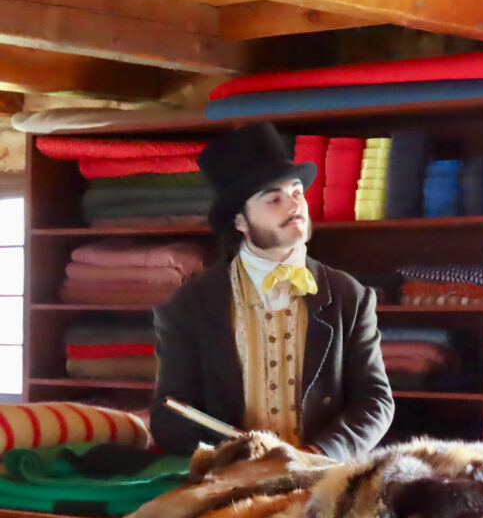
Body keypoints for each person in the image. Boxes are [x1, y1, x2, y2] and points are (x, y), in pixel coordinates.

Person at [150, 122, 394, 460]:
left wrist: (317, 453)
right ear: (240, 222)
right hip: (231, 479)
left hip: (324, 477)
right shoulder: (188, 307)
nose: (294, 205)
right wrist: (235, 457)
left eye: (297, 192)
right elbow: (169, 416)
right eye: (274, 199)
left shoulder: (348, 295)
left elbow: (375, 401)